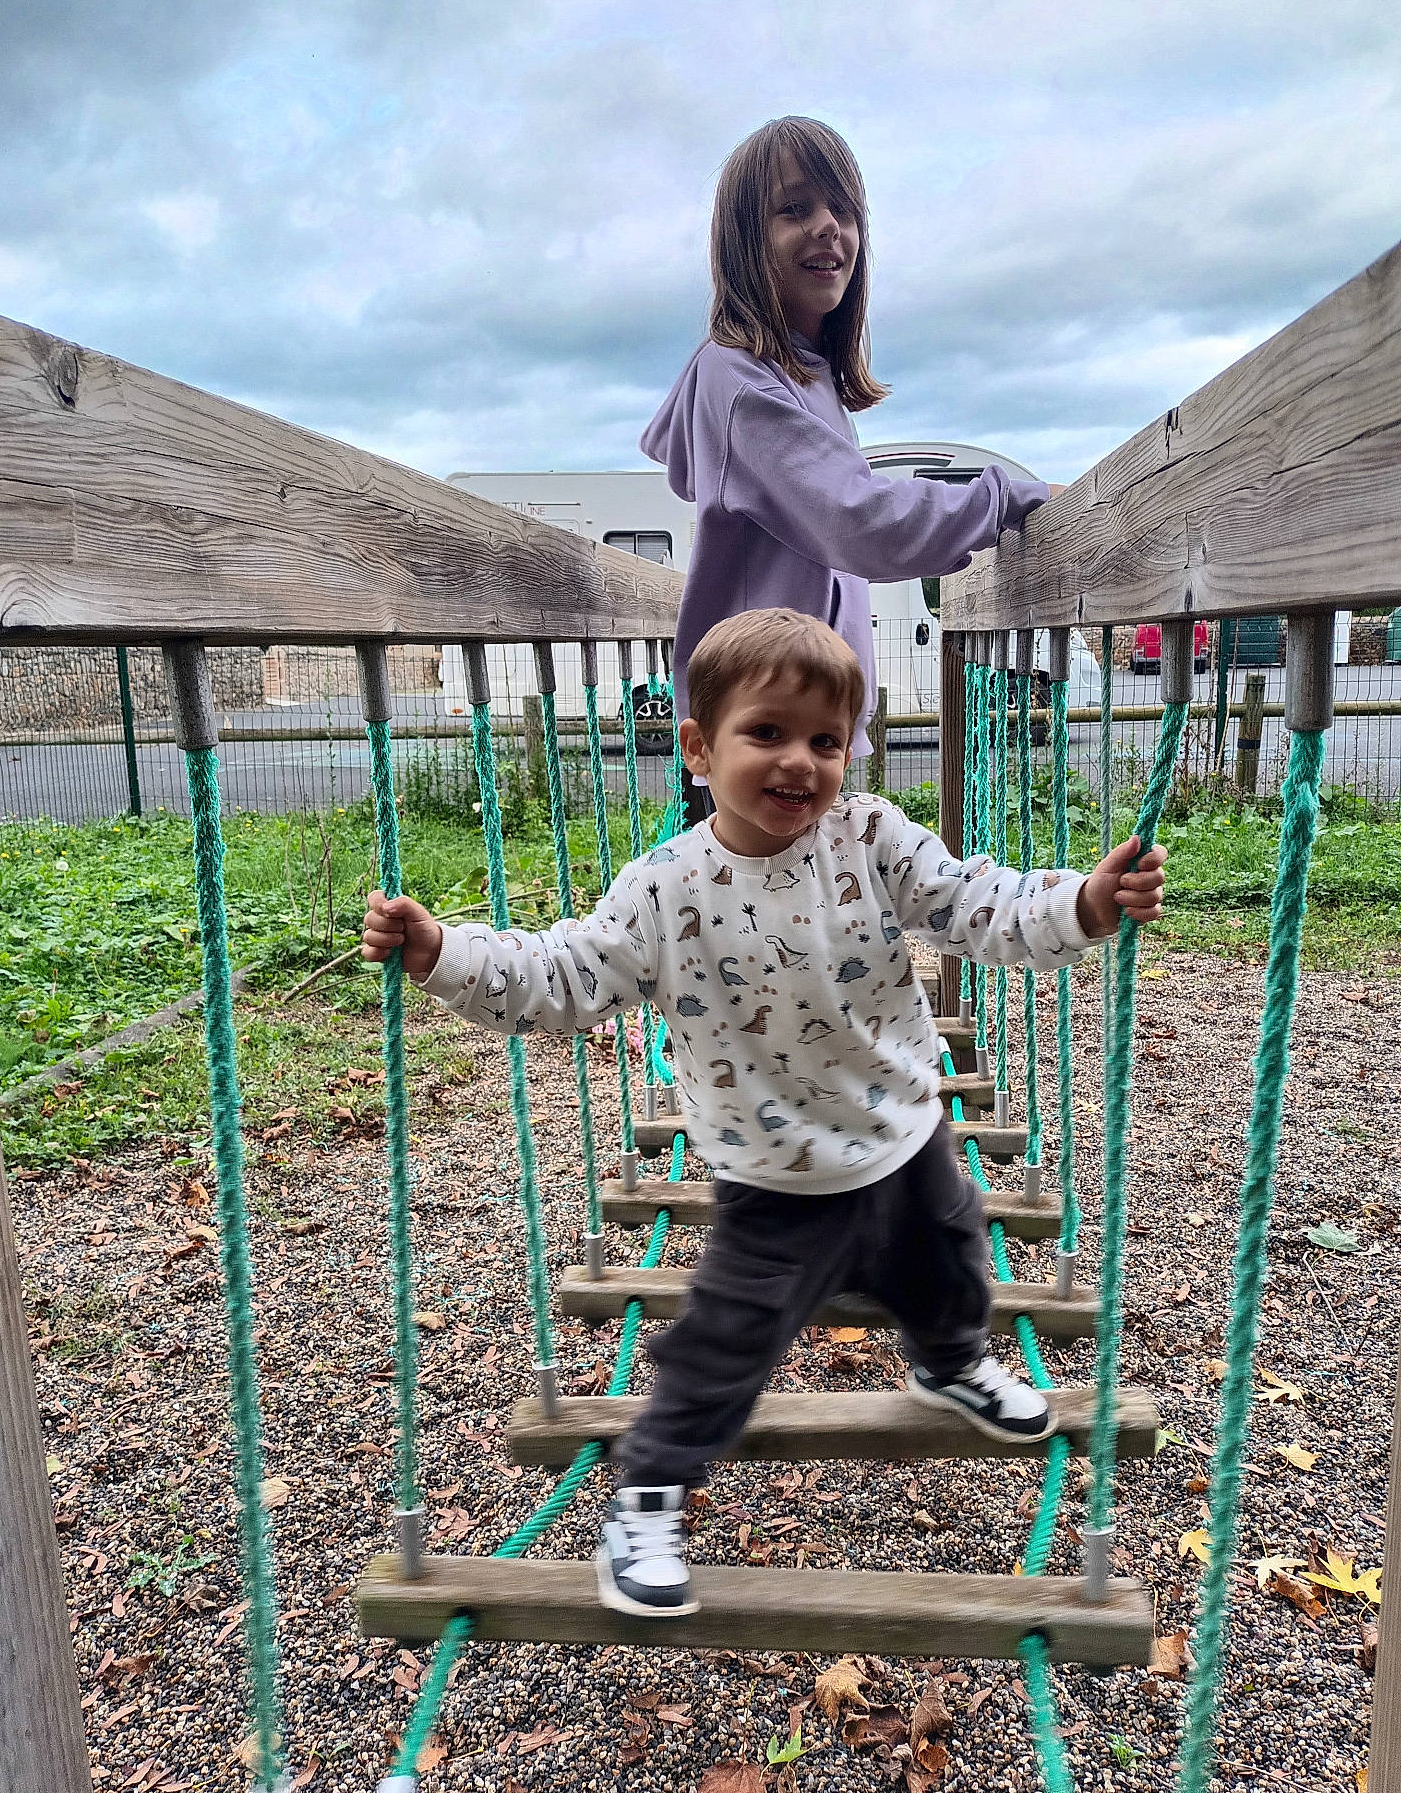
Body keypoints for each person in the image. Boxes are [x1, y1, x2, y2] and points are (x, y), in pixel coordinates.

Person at [361, 611, 1167, 1621]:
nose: (801, 763)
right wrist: (447, 953)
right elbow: (564, 976)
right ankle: (647, 1496)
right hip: (772, 1172)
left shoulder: (871, 839)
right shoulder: (662, 889)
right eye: (768, 733)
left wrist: (1083, 904)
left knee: (952, 1255)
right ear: (699, 748)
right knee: (724, 1343)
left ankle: (950, 1364)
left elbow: (973, 902)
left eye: (826, 741)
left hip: (906, 1129)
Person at [642, 115, 1062, 814]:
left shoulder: (803, 379)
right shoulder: (740, 379)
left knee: (800, 918)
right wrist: (1006, 497)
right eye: (795, 208)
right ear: (747, 240)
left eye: (844, 209)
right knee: (761, 919)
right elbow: (860, 522)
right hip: (759, 728)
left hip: (793, 719)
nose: (829, 226)